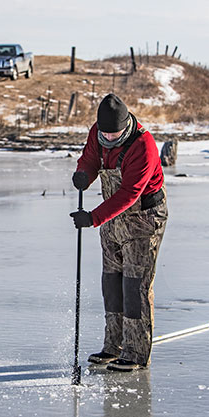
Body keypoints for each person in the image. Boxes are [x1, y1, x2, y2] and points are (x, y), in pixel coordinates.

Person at [70, 93, 168, 371]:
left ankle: (136, 353)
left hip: (144, 219)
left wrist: (93, 217)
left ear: (126, 126)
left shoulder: (143, 145)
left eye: (115, 135)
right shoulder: (97, 133)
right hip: (113, 220)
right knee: (112, 283)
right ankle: (113, 347)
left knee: (134, 286)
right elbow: (89, 159)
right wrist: (83, 175)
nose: (109, 139)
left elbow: (129, 193)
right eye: (105, 135)